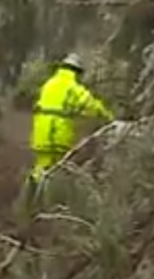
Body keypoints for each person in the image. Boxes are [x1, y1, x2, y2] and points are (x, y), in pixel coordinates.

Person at [29, 53, 113, 186]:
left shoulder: (49, 84)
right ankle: (48, 200)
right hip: (57, 133)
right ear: (77, 72)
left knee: (40, 167)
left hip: (40, 131)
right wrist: (109, 117)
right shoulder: (73, 87)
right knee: (56, 170)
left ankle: (31, 195)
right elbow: (91, 105)